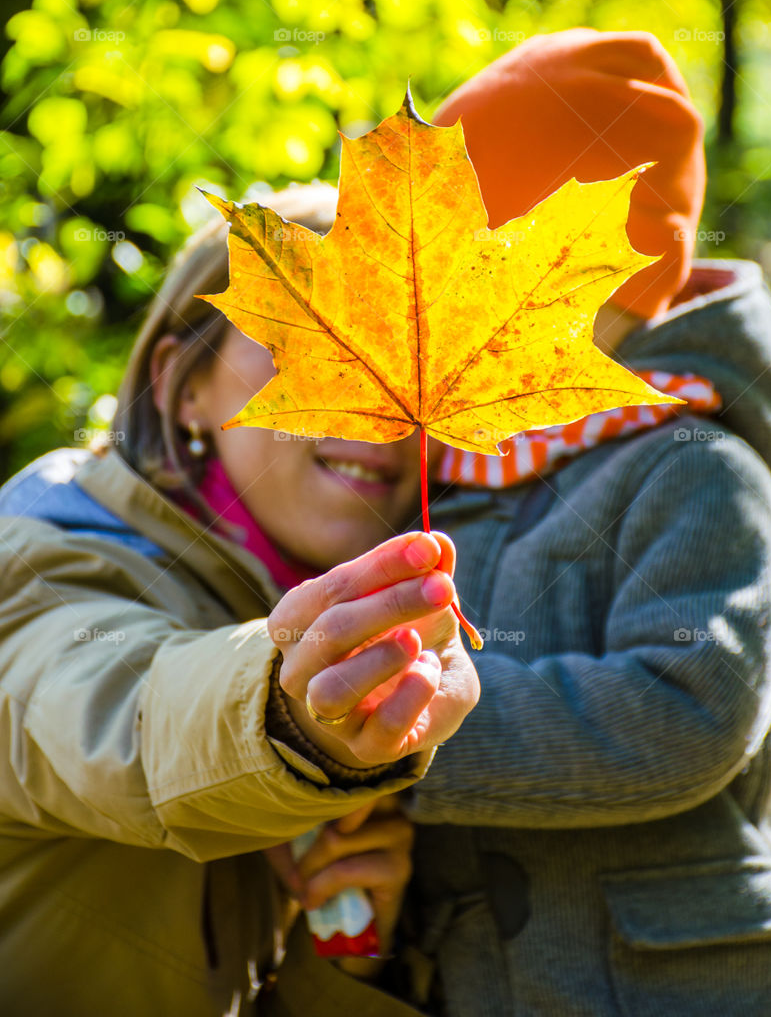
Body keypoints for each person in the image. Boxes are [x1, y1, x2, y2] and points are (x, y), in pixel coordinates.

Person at [385, 28, 771, 1017]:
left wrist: (412, 731)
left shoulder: (692, 466)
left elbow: (686, 705)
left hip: (660, 982)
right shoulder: (462, 470)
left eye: (491, 268)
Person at [0, 179, 480, 1017]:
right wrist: (289, 715)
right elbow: (117, 712)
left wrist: (352, 960)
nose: (367, 398)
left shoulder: (380, 617)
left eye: (399, 360)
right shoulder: (39, 559)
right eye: (304, 343)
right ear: (182, 386)